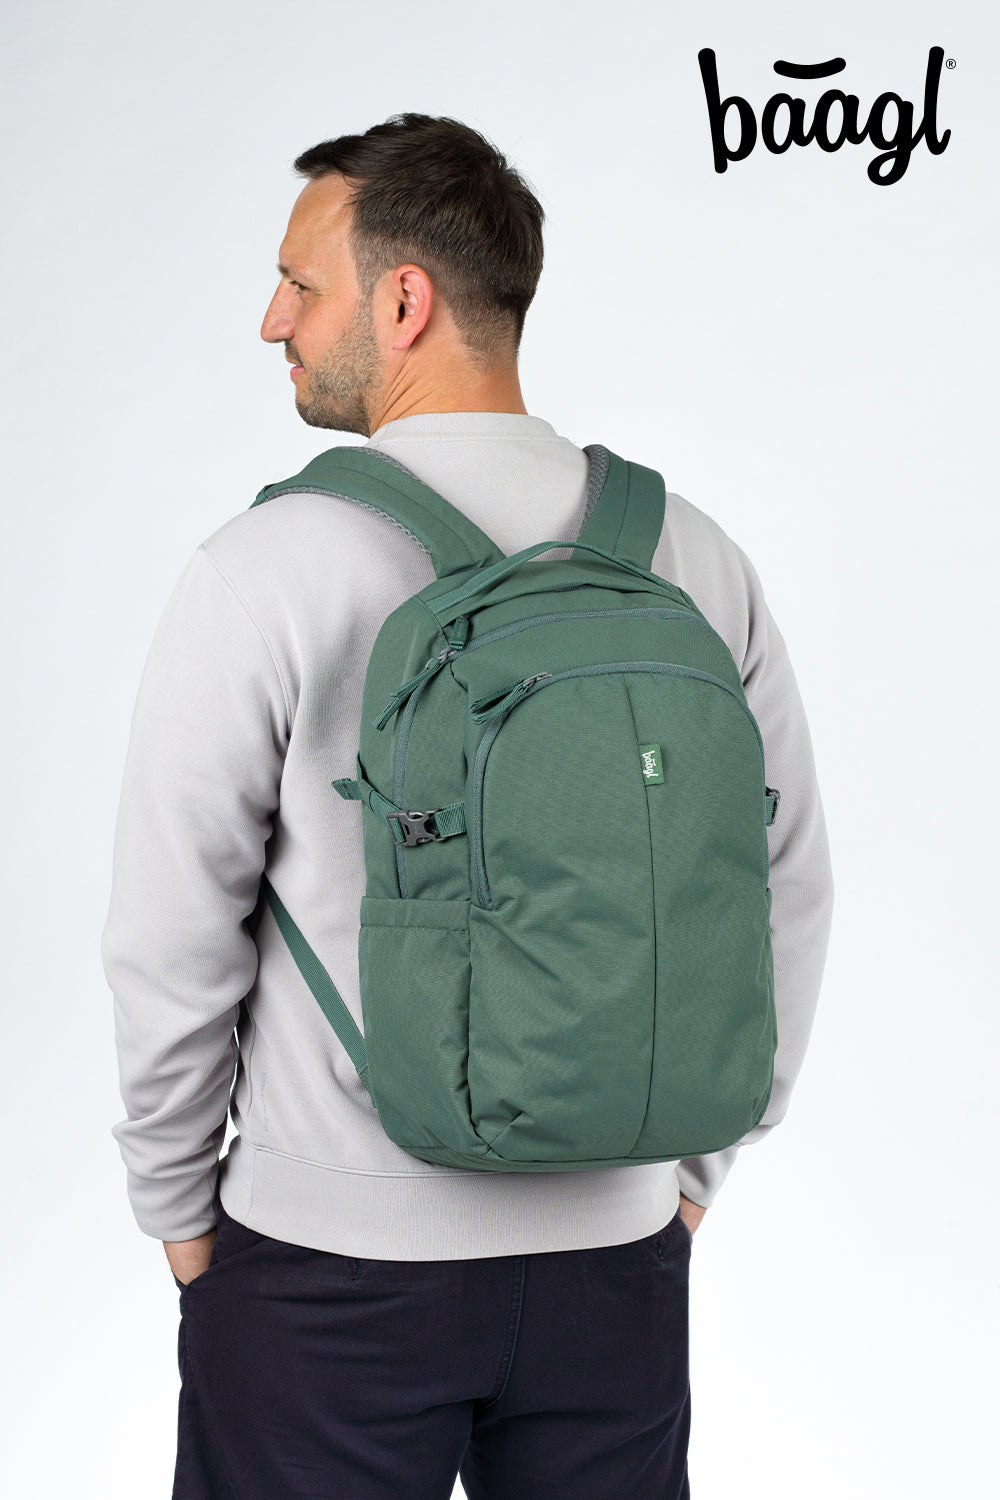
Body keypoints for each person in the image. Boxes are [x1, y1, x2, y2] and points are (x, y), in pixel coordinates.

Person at [102, 113, 834, 1500]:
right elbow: (781, 883)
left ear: (404, 301)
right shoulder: (692, 556)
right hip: (615, 1266)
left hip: (330, 1267)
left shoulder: (265, 567)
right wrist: (689, 1181)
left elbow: (169, 929)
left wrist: (178, 1207)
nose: (273, 320)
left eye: (299, 284)